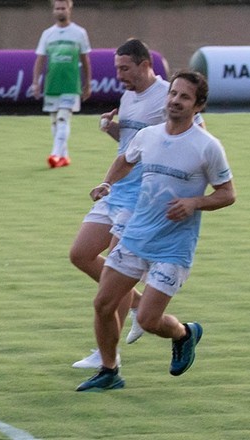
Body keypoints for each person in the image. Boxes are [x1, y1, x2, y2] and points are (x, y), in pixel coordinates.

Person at [76, 71, 235, 391]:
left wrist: (194, 203)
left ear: (198, 105)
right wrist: (107, 183)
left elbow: (227, 194)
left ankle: (185, 334)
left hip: (173, 247)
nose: (175, 100)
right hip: (136, 235)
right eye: (173, 93)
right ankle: (109, 371)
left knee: (148, 320)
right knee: (103, 304)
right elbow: (125, 160)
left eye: (184, 97)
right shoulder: (148, 135)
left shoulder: (207, 147)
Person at [69, 39, 207, 369]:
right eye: (117, 69)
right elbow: (134, 145)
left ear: (145, 65)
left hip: (144, 197)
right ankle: (136, 305)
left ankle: (108, 358)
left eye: (124, 68)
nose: (119, 75)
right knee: (80, 254)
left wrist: (185, 195)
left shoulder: (167, 95)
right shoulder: (129, 96)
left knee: (115, 278)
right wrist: (112, 129)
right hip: (118, 189)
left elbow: (193, 138)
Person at [32, 0, 91, 168]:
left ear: (69, 9)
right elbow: (40, 59)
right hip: (52, 84)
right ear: (53, 11)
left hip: (71, 85)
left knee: (63, 117)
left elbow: (85, 60)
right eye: (57, 8)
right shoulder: (47, 34)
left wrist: (88, 83)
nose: (60, 11)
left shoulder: (79, 33)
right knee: (54, 121)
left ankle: (55, 154)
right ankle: (64, 156)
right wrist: (36, 82)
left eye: (63, 8)